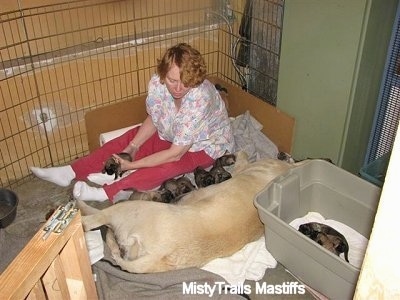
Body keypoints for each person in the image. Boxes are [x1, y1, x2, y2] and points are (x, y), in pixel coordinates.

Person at [31, 43, 234, 202]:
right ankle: (70, 171)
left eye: (186, 82)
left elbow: (175, 153)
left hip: (206, 145)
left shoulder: (200, 98)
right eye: (173, 80)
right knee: (128, 139)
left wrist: (131, 164)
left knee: (169, 167)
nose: (179, 88)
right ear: (163, 74)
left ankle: (106, 192)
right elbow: (156, 118)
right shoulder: (158, 83)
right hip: (175, 133)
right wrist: (133, 147)